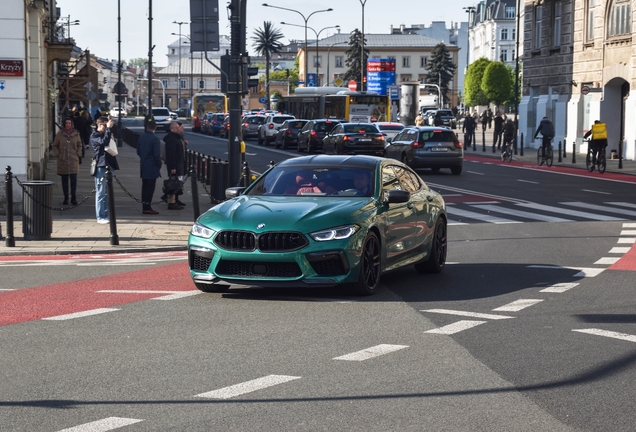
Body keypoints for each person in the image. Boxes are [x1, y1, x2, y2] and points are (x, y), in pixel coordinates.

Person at [90, 116, 119, 224]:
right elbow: (104, 142)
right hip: (101, 166)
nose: (107, 127)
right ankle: (100, 216)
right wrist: (108, 130)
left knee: (108, 192)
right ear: (99, 125)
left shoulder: (106, 132)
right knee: (101, 192)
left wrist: (110, 129)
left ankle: (106, 214)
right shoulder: (94, 135)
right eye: (105, 125)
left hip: (110, 164)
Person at [52, 117, 83, 205]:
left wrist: (78, 153)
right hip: (63, 159)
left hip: (73, 159)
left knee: (73, 179)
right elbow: (54, 145)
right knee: (64, 180)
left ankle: (73, 197)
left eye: (69, 123)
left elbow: (80, 145)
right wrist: (58, 154)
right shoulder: (60, 134)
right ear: (64, 124)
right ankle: (66, 197)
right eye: (66, 123)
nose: (68, 125)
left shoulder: (76, 134)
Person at [137, 119, 162, 214]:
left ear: (147, 127)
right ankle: (148, 207)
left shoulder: (141, 137)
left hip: (144, 165)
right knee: (150, 188)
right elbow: (157, 154)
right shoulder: (155, 139)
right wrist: (159, 164)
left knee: (144, 187)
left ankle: (145, 206)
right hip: (152, 166)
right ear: (155, 128)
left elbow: (138, 151)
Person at [162, 121, 185, 210]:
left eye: (178, 127)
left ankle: (175, 201)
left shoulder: (176, 138)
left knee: (177, 184)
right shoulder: (172, 139)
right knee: (172, 184)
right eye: (176, 128)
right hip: (175, 166)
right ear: (171, 129)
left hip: (178, 165)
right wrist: (173, 167)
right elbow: (171, 155)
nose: (178, 129)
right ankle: (171, 202)